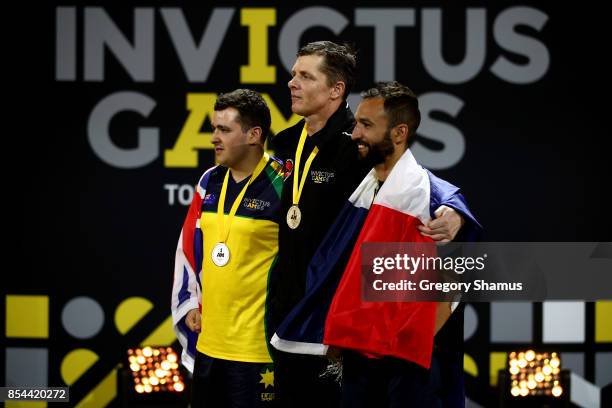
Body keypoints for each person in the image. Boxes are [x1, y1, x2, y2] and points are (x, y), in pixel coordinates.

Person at [267, 41, 468, 407]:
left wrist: (455, 210)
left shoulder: (360, 142)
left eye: (305, 76)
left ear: (335, 89)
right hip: (292, 312)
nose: (291, 83)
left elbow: (417, 182)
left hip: (339, 321)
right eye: (294, 74)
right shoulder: (283, 144)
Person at [171, 89, 284, 407]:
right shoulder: (209, 181)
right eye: (213, 128)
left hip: (257, 353)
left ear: (253, 135)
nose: (213, 138)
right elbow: (188, 249)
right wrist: (189, 301)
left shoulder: (283, 184)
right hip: (208, 347)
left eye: (224, 129)